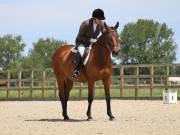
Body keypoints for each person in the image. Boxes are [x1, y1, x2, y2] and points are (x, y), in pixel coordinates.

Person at [72, 8, 106, 80]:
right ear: (94, 18)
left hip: (93, 43)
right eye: (99, 19)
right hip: (81, 42)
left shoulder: (101, 24)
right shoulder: (85, 24)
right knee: (81, 51)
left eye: (101, 19)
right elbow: (80, 36)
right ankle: (75, 71)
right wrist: (90, 40)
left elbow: (105, 33)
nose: (100, 21)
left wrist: (112, 32)